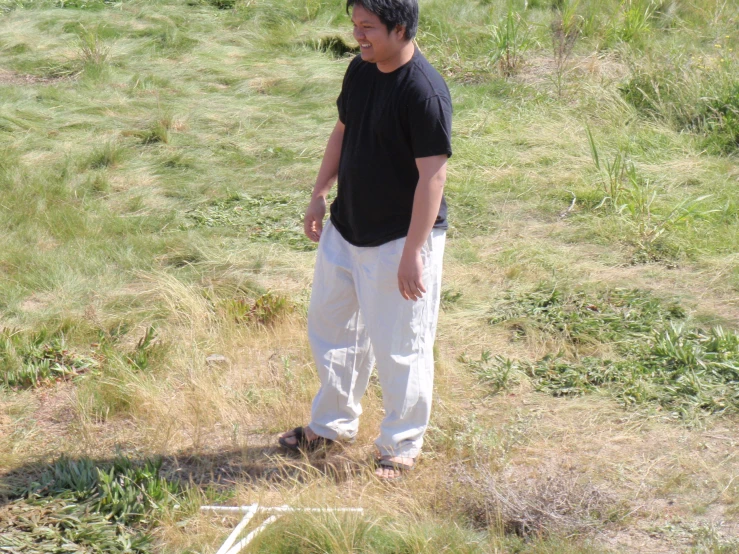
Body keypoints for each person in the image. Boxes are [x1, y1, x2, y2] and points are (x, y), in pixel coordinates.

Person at [279, 0, 452, 481]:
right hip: (347, 226)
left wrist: (414, 253)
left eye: (368, 27)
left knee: (401, 346)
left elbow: (432, 179)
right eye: (354, 25)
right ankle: (330, 427)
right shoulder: (360, 69)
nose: (358, 35)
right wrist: (319, 194)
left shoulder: (424, 93)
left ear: (400, 29)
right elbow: (343, 130)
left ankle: (400, 448)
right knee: (332, 329)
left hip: (399, 240)